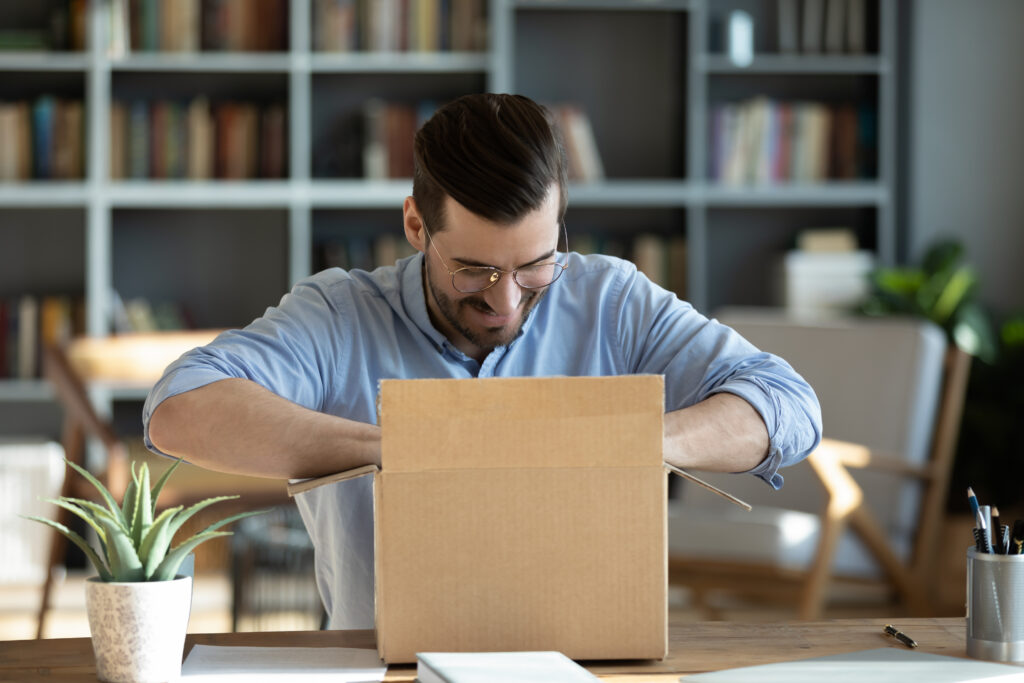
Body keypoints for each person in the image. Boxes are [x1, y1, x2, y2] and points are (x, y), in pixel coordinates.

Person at [143, 93, 822, 629]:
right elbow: (180, 408)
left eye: (535, 266)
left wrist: (622, 441)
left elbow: (788, 404)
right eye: (473, 268)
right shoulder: (340, 314)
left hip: (596, 662)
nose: (505, 300)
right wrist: (409, 448)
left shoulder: (611, 299)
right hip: (386, 665)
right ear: (416, 225)